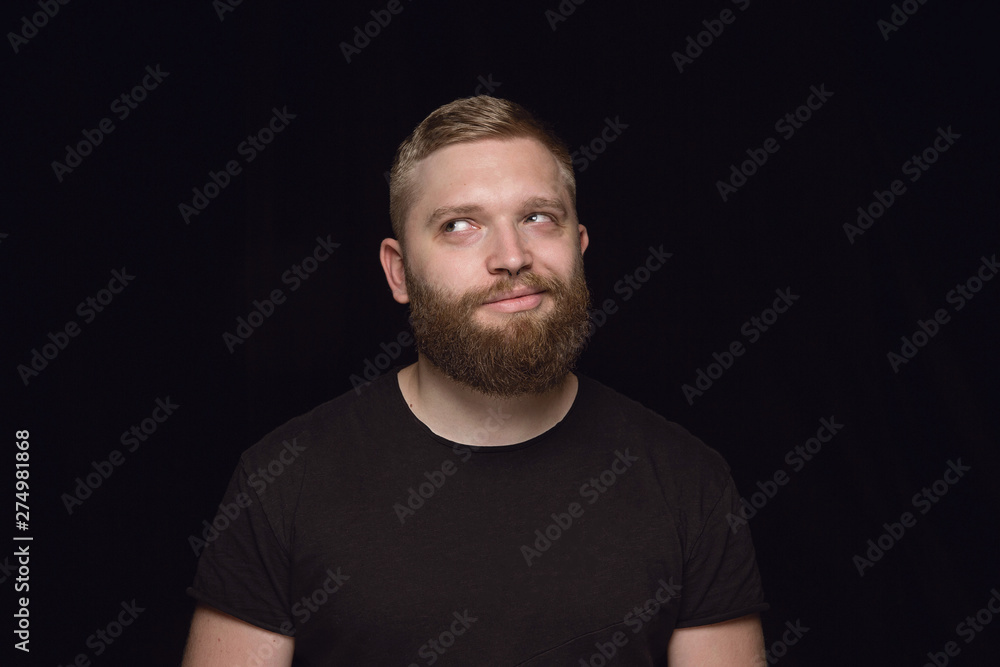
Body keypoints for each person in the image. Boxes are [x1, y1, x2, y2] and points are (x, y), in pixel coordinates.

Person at [182, 95, 769, 666]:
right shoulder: (283, 481)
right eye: (461, 225)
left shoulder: (688, 482)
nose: (512, 256)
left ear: (580, 246)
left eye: (538, 218)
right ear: (399, 271)